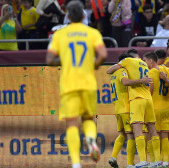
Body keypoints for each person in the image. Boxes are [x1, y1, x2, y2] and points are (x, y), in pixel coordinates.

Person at [46, 1, 108, 168]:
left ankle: (76, 163)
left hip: (69, 85)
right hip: (88, 83)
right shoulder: (93, 33)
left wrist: (64, 60)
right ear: (83, 15)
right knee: (88, 118)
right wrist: (95, 64)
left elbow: (49, 59)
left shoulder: (60, 35)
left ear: (67, 15)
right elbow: (103, 53)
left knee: (72, 123)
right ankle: (91, 141)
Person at [107, 54, 161, 168]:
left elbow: (111, 71)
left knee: (133, 133)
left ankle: (139, 162)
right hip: (147, 100)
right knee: (151, 130)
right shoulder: (145, 65)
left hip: (130, 103)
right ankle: (157, 161)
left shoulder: (122, 68)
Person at [143, 52, 169, 167]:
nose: (145, 63)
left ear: (151, 61)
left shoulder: (150, 73)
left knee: (152, 135)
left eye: (145, 61)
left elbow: (149, 92)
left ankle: (155, 161)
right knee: (165, 135)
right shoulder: (166, 70)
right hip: (167, 107)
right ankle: (165, 161)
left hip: (155, 108)